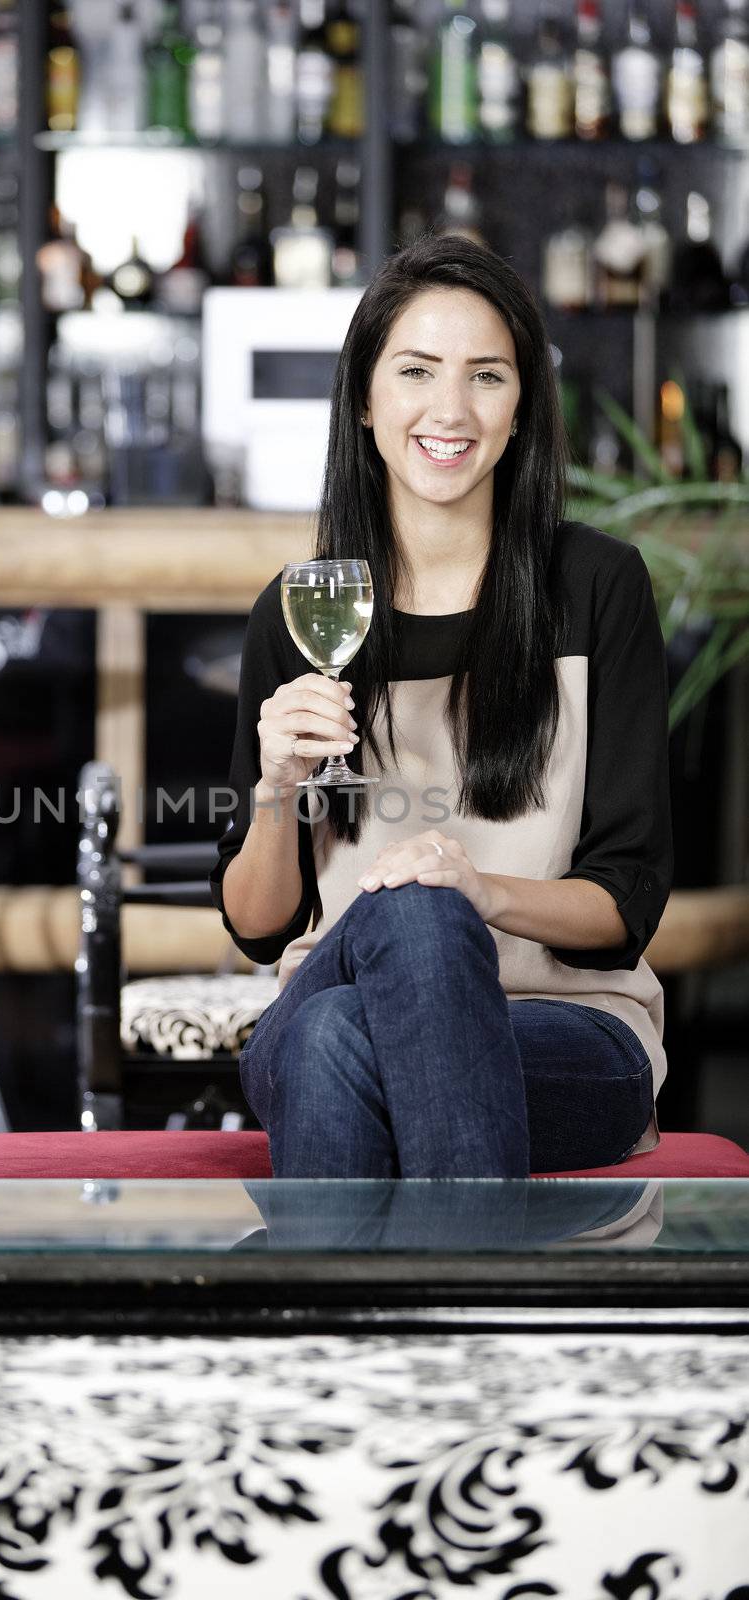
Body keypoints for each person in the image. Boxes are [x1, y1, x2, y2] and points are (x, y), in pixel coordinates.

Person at [210, 234, 672, 1179]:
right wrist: (275, 790)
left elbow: (625, 905)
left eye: (488, 377)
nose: (450, 410)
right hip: (333, 992)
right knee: (381, 954)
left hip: (569, 1033)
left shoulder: (596, 586)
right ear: (366, 402)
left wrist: (476, 893)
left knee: (352, 1022)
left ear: (520, 413)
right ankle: (478, 1324)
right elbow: (258, 925)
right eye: (416, 371)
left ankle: (341, 1332)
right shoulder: (305, 609)